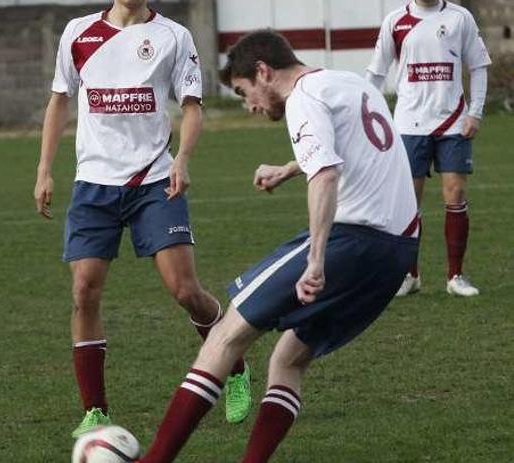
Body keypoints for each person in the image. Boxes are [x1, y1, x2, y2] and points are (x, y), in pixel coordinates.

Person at [135, 30, 419, 462]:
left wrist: (317, 259)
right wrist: (290, 167)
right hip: (397, 252)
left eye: (244, 91)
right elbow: (361, 150)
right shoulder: (351, 84)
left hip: (352, 240)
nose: (249, 105)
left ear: (263, 71)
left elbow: (326, 175)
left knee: (225, 336)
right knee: (287, 359)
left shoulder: (304, 96)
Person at [33, 0, 251, 438]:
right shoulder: (78, 33)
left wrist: (184, 159)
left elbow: (192, 105)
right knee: (83, 291)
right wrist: (44, 169)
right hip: (94, 183)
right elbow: (58, 102)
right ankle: (95, 411)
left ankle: (234, 367)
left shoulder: (173, 36)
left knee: (185, 291)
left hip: (154, 180)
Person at [366, 0, 491, 297]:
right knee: (408, 203)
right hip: (409, 124)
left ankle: (455, 277)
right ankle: (410, 275)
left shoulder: (460, 18)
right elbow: (376, 75)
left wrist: (475, 113)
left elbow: (478, 66)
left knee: (456, 195)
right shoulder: (395, 21)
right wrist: (366, 115)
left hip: (453, 122)